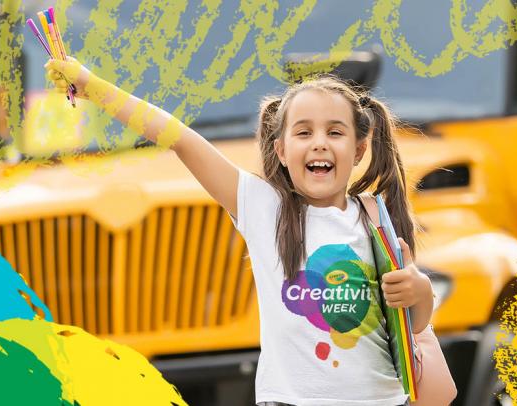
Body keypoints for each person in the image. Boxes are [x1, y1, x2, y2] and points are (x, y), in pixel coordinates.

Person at [45, 57, 434, 406]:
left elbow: (410, 327)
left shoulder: (376, 220)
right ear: (281, 151)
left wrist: (421, 291)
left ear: (360, 149)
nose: (319, 144)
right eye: (303, 133)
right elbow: (177, 136)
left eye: (335, 132)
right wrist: (91, 85)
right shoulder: (265, 209)